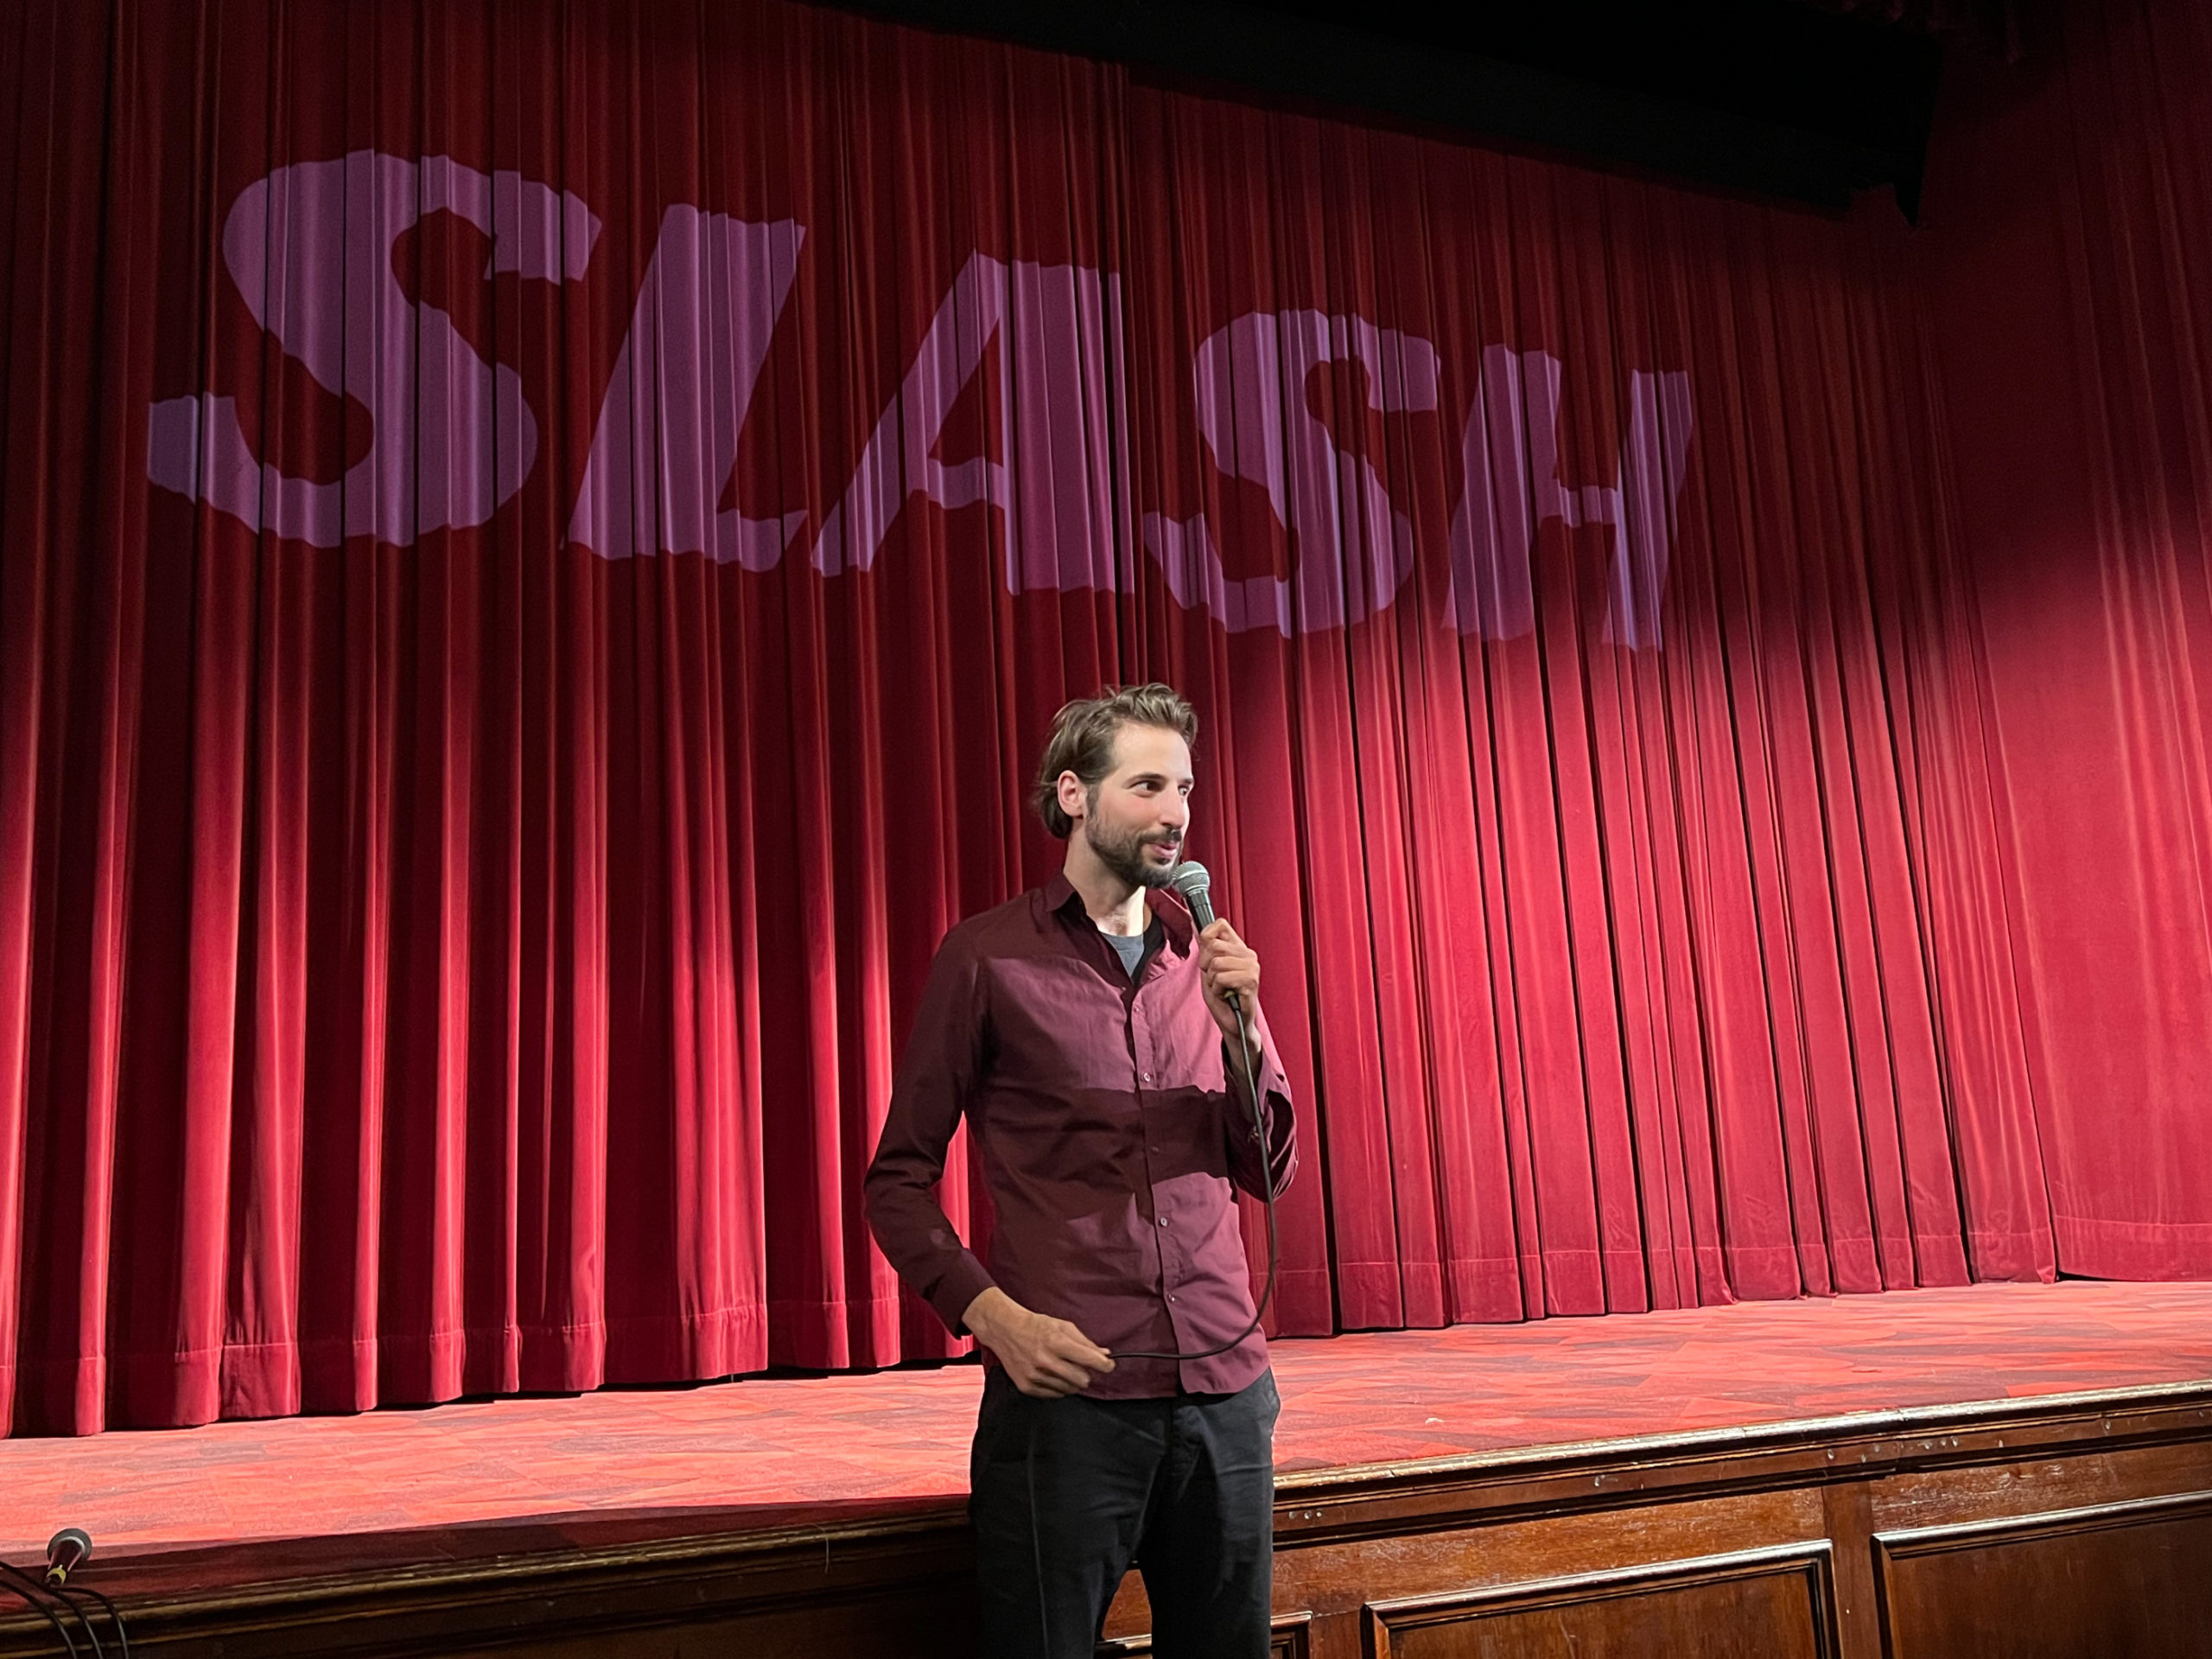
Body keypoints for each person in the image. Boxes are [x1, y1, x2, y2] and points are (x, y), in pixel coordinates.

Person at [865, 683, 1298, 1659]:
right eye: (1147, 786)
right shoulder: (988, 958)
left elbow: (1268, 1171)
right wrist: (993, 1318)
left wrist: (1243, 1034)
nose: (1175, 812)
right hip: (1069, 1408)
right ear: (1073, 794)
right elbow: (896, 1179)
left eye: (1184, 789)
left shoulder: (1208, 963)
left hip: (1226, 1392)